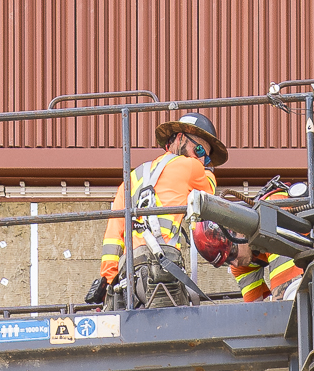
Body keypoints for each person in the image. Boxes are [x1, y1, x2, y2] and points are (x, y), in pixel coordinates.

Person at [88, 113, 233, 304]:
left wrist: (107, 281)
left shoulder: (131, 178)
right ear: (180, 138)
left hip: (129, 280)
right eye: (198, 150)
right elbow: (209, 195)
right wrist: (208, 171)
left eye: (206, 159)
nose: (201, 160)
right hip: (162, 273)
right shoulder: (191, 167)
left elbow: (113, 237)